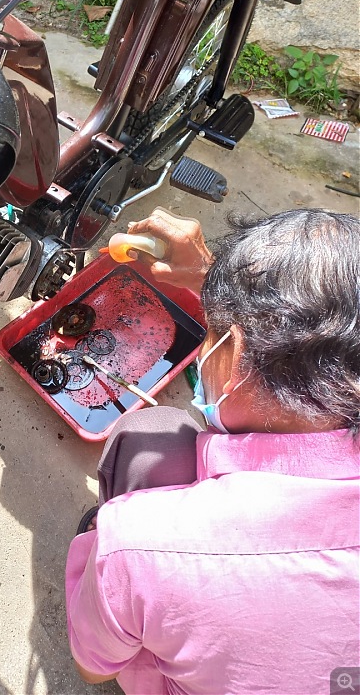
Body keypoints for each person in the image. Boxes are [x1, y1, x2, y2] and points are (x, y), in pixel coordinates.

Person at [65, 206, 360, 695]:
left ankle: (118, 601)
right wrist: (209, 274)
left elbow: (91, 668)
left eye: (210, 337)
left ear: (232, 352)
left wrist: (113, 557)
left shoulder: (142, 543)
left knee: (149, 438)